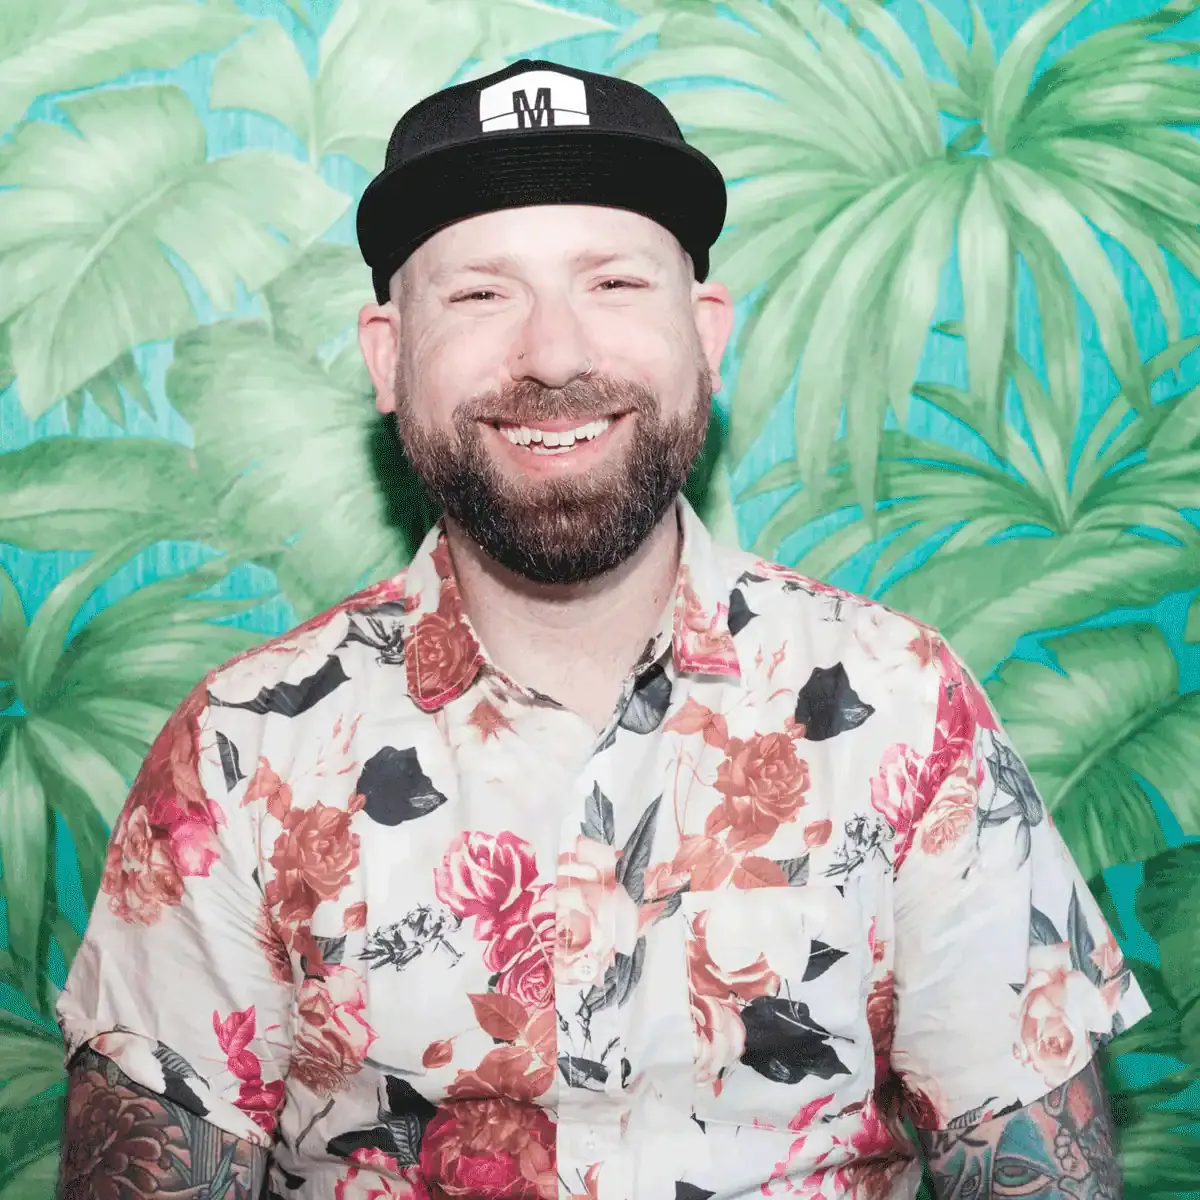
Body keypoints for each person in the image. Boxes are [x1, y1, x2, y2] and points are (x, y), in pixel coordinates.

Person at [57, 59, 1146, 1200]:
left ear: (706, 335)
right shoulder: (242, 748)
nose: (555, 355)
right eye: (481, 295)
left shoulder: (905, 709)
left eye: (615, 282)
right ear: (389, 358)